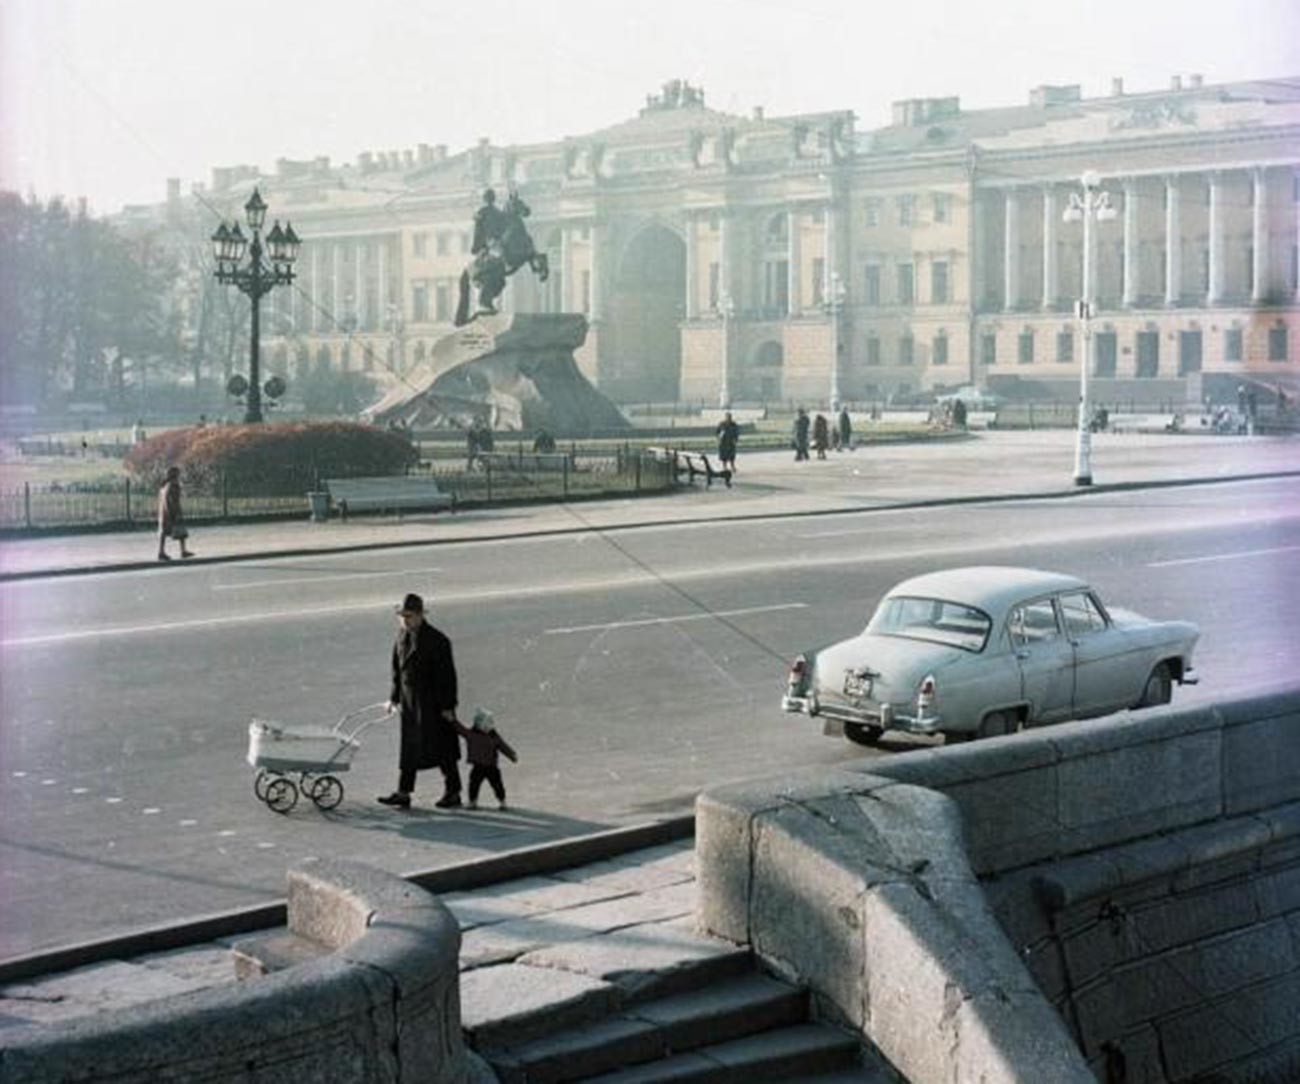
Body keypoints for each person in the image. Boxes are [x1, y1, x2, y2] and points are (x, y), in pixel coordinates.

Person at [381, 593, 461, 809]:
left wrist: (447, 706)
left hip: (433, 703)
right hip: (410, 702)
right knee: (410, 748)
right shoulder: (401, 636)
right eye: (402, 616)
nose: (405, 620)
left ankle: (453, 791)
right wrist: (393, 698)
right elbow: (397, 670)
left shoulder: (437, 640)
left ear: (419, 615)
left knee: (442, 748)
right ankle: (403, 792)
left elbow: (447, 677)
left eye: (409, 616)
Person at [455, 708, 518, 810]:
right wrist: (452, 720)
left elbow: (502, 746)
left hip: (491, 766)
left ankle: (502, 801)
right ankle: (473, 801)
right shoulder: (472, 734)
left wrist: (511, 755)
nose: (487, 727)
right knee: (474, 784)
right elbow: (461, 730)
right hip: (478, 766)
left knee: (497, 784)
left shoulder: (493, 736)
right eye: (485, 724)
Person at [156, 466, 193, 561]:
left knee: (164, 533)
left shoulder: (164, 486)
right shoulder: (174, 485)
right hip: (173, 511)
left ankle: (161, 552)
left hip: (163, 512)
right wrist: (176, 512)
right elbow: (173, 500)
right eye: (178, 473)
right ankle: (183, 551)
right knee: (181, 532)